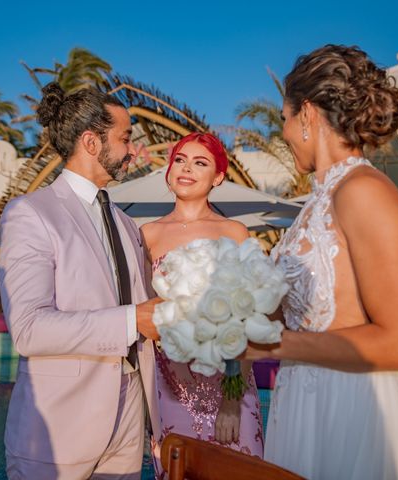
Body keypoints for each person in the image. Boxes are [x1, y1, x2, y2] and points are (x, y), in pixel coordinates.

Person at [244, 45, 398, 479]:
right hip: (303, 404)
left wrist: (272, 346)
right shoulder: (316, 203)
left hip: (354, 410)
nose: (281, 132)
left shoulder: (365, 190)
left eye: (283, 118)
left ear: (307, 115)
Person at [0, 82, 161, 479]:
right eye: (125, 138)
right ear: (91, 142)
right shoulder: (30, 213)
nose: (132, 151)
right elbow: (29, 329)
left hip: (128, 423)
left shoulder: (126, 223)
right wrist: (132, 320)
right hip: (59, 430)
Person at [141, 133, 264, 475]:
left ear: (219, 177)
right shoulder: (146, 235)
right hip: (170, 389)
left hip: (229, 387)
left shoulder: (235, 233)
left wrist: (232, 398)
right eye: (180, 159)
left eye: (200, 163)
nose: (187, 169)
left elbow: (249, 321)